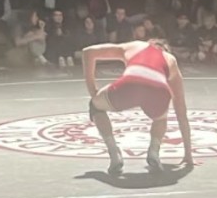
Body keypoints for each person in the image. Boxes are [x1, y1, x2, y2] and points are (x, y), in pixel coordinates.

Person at [82, 40, 193, 175]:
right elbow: (181, 112)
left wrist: (93, 91)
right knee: (160, 118)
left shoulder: (136, 45)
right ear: (166, 49)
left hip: (130, 84)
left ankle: (114, 153)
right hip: (157, 90)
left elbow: (88, 52)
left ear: (150, 42)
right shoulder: (171, 60)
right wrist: (188, 155)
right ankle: (154, 151)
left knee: (95, 107)